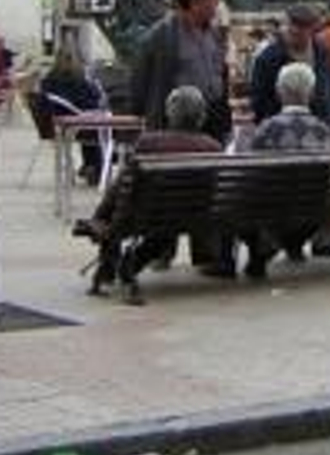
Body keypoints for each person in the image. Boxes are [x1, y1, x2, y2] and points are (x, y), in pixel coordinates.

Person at [77, 84, 222, 296]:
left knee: (121, 204)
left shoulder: (149, 142)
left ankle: (108, 269)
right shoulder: (213, 147)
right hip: (193, 216)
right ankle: (131, 264)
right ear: (201, 116)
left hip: (144, 217)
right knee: (165, 223)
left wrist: (100, 214)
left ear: (170, 114)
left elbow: (122, 186)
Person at [248, 62, 330, 274]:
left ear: (279, 91)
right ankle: (293, 244)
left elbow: (251, 171)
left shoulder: (268, 128)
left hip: (274, 209)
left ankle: (262, 248)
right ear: (310, 93)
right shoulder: (323, 130)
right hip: (313, 211)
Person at [130, 0, 231, 144]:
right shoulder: (160, 36)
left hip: (212, 117)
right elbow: (141, 79)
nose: (216, 6)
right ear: (194, 2)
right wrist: (144, 113)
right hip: (175, 120)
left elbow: (220, 73)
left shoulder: (214, 33)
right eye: (212, 0)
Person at [248, 3, 330, 130]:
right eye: (290, 25)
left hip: (322, 127)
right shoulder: (268, 58)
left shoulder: (323, 53)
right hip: (280, 131)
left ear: (312, 28)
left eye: (301, 27)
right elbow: (258, 99)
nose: (294, 30)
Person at [39, 38, 108, 184]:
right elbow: (91, 101)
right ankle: (95, 167)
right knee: (97, 126)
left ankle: (89, 166)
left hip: (57, 127)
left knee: (90, 123)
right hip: (77, 126)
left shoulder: (49, 79)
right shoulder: (77, 79)